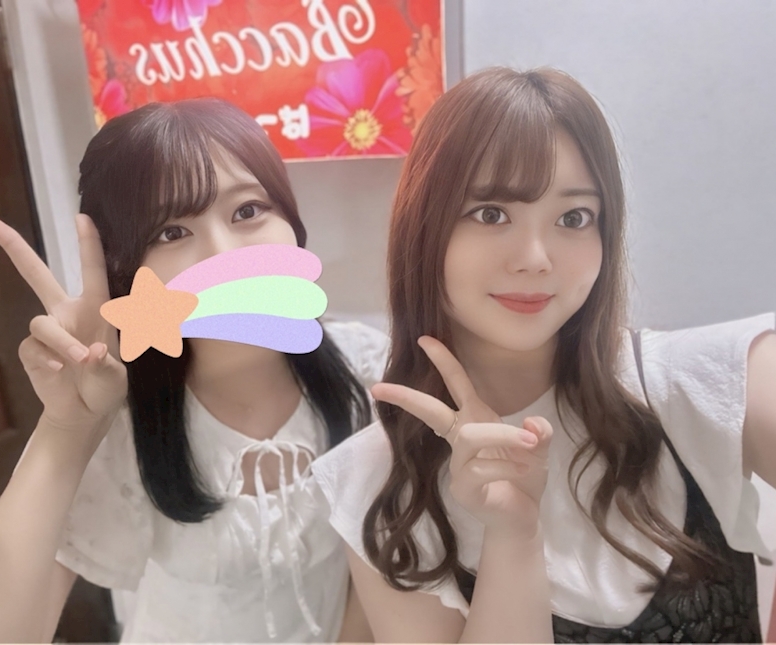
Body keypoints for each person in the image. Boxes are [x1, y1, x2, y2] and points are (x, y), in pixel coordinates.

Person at [311, 66, 776, 643]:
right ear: (422, 228)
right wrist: (513, 534)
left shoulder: (692, 381)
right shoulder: (378, 485)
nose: (535, 257)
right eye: (491, 213)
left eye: (573, 218)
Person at [0, 98, 386, 643]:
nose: (222, 256)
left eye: (248, 211)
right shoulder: (123, 421)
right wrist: (67, 430)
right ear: (128, 268)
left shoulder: (366, 370)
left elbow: (376, 559)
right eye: (171, 232)